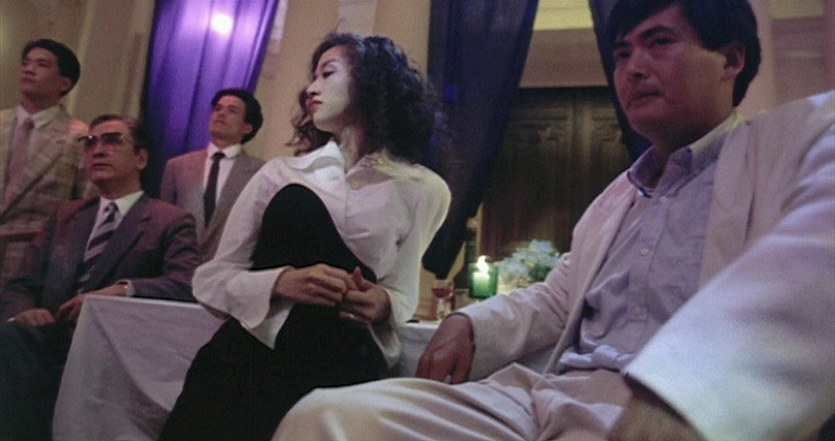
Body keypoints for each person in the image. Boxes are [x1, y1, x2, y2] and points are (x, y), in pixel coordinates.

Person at [273, 1, 834, 441]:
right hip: (547, 393)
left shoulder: (790, 144)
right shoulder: (619, 197)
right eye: (622, 53)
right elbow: (558, 298)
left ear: (731, 60)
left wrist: (690, 396)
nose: (633, 67)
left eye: (659, 42)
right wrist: (470, 323)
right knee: (326, 419)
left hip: (665, 400)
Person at [158, 33, 451, 441]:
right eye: (312, 77)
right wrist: (280, 281)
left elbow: (402, 293)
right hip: (247, 363)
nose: (311, 88)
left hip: (342, 374)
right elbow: (210, 279)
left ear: (372, 80)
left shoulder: (425, 189)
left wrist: (381, 303)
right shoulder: (279, 174)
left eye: (327, 73)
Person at [0, 114, 201, 441]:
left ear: (141, 158)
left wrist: (122, 291)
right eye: (90, 142)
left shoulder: (169, 221)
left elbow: (186, 284)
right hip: (47, 339)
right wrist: (24, 311)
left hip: (113, 351)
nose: (98, 150)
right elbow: (22, 282)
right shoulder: (67, 215)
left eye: (112, 140)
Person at [0, 39, 91, 287]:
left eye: (41, 65)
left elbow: (85, 209)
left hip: (32, 260)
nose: (29, 70)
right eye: (25, 63)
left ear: (64, 83)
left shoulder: (79, 137)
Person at [160, 88, 265, 261]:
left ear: (247, 127)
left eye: (232, 111)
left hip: (229, 265)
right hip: (178, 262)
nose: (221, 114)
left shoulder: (260, 172)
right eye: (218, 108)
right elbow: (163, 221)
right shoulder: (177, 166)